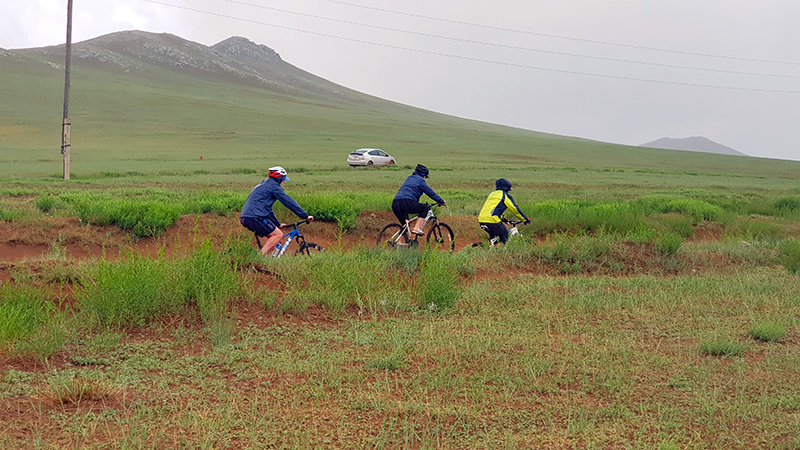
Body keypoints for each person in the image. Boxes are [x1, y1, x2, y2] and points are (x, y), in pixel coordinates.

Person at [240, 166, 313, 256]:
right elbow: (288, 201)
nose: (283, 182)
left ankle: (267, 262)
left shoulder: (264, 183)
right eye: (283, 180)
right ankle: (258, 258)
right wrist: (305, 216)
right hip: (255, 217)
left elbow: (268, 209)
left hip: (246, 217)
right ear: (280, 179)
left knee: (273, 238)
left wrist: (277, 224)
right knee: (278, 235)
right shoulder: (274, 187)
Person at [392, 164, 445, 242]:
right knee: (424, 209)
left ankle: (400, 245)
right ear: (424, 175)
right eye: (425, 177)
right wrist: (440, 201)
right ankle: (417, 228)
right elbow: (431, 193)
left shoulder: (409, 178)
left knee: (405, 227)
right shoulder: (421, 181)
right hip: (407, 202)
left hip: (395, 203)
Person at [478, 178, 530, 245]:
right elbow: (515, 209)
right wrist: (525, 219)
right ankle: (500, 253)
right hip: (492, 220)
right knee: (504, 235)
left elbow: (493, 208)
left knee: (495, 239)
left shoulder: (492, 194)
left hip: (482, 220)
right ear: (507, 188)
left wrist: (503, 219)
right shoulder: (505, 195)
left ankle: (492, 251)